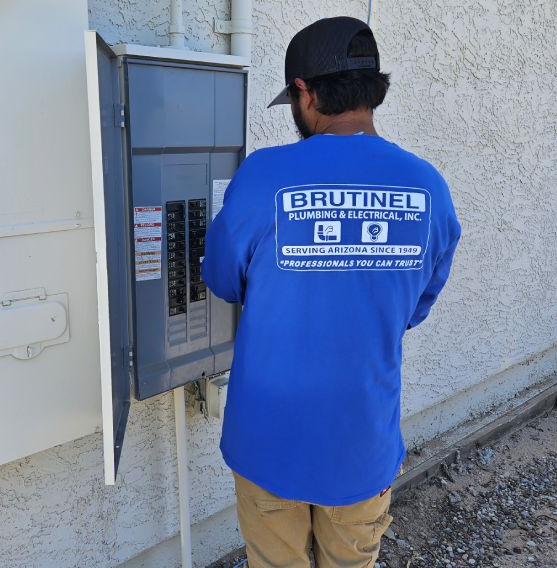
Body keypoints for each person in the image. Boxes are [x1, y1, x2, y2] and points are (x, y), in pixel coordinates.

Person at [201, 16, 461, 568]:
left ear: (305, 92)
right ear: (371, 93)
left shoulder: (263, 175)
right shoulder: (429, 187)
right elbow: (415, 308)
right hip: (360, 441)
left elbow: (223, 281)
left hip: (268, 438)